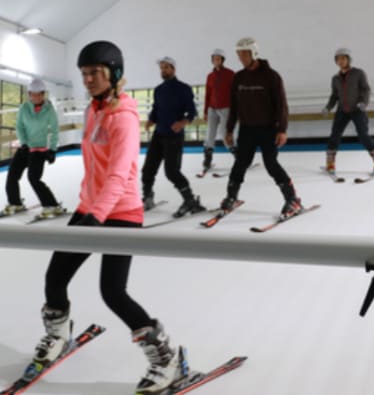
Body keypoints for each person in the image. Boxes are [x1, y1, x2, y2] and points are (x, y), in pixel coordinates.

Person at [29, 41, 183, 394]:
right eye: (84, 73)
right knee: (55, 278)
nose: (88, 79)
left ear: (113, 73)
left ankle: (165, 357)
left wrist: (97, 216)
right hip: (91, 209)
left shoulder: (124, 117)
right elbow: (93, 168)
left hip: (122, 213)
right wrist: (87, 204)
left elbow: (121, 174)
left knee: (112, 292)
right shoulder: (93, 110)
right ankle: (58, 334)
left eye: (95, 73)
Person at [221, 38, 304, 219]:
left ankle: (293, 199)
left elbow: (281, 105)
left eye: (244, 53)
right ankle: (231, 196)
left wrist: (282, 130)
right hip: (247, 129)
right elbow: (234, 107)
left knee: (271, 164)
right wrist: (229, 130)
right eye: (239, 53)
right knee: (240, 163)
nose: (241, 57)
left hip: (268, 129)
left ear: (254, 53)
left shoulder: (271, 76)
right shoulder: (239, 78)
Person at [140, 57, 204, 218]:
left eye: (166, 68)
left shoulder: (184, 89)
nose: (163, 71)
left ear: (173, 69)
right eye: (161, 68)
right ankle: (148, 198)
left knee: (172, 172)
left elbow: (192, 111)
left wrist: (182, 122)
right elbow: (156, 109)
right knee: (147, 170)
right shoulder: (158, 90)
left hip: (174, 136)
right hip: (158, 135)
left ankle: (190, 201)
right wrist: (150, 120)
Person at [1, 78, 64, 218]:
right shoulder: (24, 107)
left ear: (43, 94)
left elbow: (54, 130)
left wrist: (53, 150)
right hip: (25, 148)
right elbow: (19, 127)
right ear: (29, 94)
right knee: (12, 175)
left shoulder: (49, 110)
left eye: (39, 94)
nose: (35, 97)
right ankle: (15, 203)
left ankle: (52, 205)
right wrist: (23, 143)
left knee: (33, 179)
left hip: (39, 150)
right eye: (32, 94)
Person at [323, 48, 374, 173]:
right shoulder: (335, 78)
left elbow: (365, 89)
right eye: (338, 59)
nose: (341, 61)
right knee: (334, 136)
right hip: (342, 110)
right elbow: (334, 95)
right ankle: (330, 163)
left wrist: (363, 102)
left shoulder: (358, 73)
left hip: (357, 109)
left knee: (364, 136)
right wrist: (328, 107)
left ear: (348, 59)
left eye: (343, 58)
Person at [202, 48, 235, 171]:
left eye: (218, 58)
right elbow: (208, 94)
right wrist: (205, 111)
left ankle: (238, 156)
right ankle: (207, 159)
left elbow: (235, 93)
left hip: (226, 107)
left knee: (225, 133)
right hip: (212, 108)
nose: (216, 60)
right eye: (214, 58)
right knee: (210, 133)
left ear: (222, 60)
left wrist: (236, 110)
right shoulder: (210, 76)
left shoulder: (230, 74)